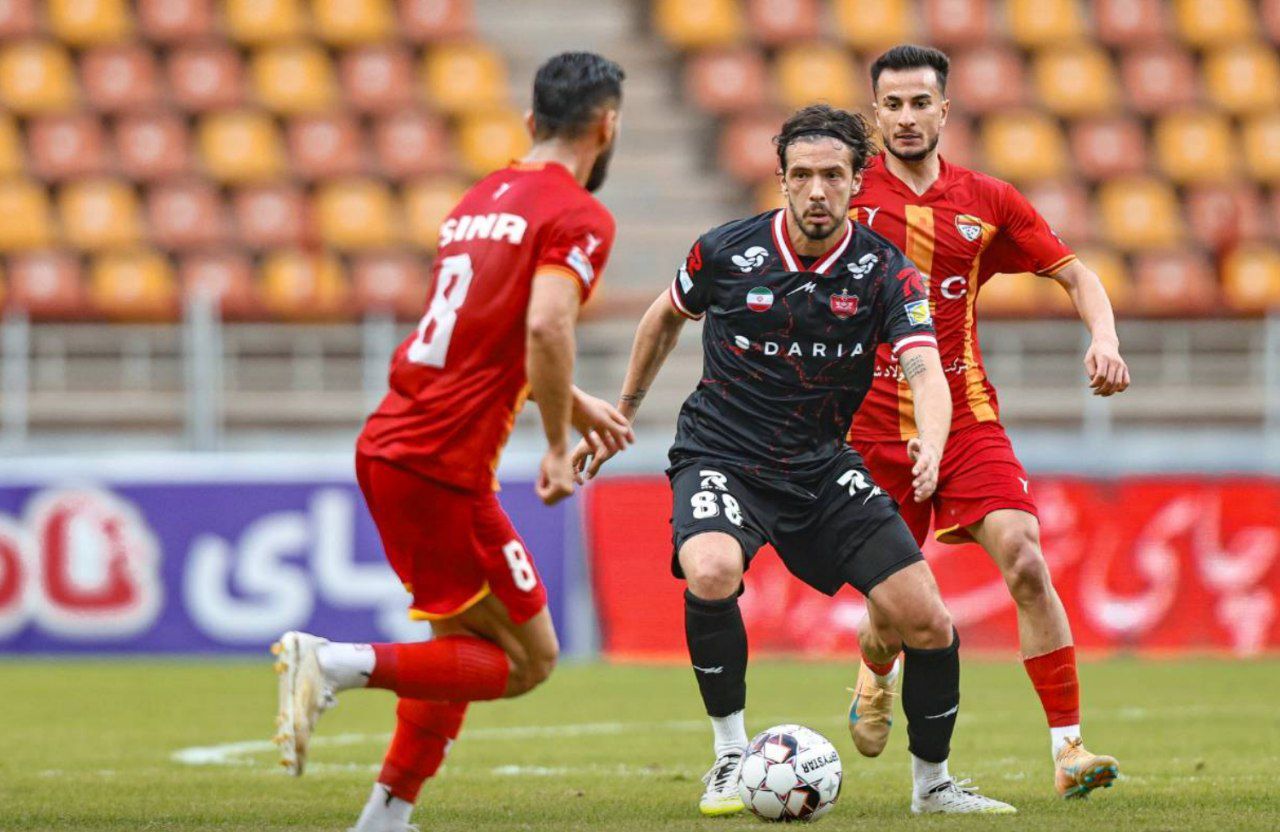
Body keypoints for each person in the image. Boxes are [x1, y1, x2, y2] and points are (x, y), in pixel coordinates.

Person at [577, 104, 1015, 816]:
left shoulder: (886, 272)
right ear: (780, 179)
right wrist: (624, 408)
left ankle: (933, 787)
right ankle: (729, 755)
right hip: (722, 453)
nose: (817, 190)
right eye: (802, 175)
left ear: (857, 181)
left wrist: (932, 442)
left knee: (928, 620)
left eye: (833, 175)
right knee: (711, 569)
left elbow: (926, 371)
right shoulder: (726, 251)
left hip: (820, 466)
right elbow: (663, 318)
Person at [270, 51, 635, 832]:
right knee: (530, 660)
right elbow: (547, 325)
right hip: (440, 465)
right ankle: (332, 663)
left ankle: (386, 816)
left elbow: (486, 340)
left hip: (395, 444)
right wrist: (557, 443)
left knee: (458, 647)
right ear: (607, 126)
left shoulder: (475, 202)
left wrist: (571, 400)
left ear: (531, 121)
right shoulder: (578, 215)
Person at [844, 44, 1129, 799]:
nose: (907, 117)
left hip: (966, 417)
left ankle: (1069, 751)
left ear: (945, 109)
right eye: (893, 105)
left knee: (1026, 560)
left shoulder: (987, 200)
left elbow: (1077, 274)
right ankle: (874, 667)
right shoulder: (846, 194)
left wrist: (1104, 338)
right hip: (871, 431)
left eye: (920, 103)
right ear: (876, 114)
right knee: (892, 616)